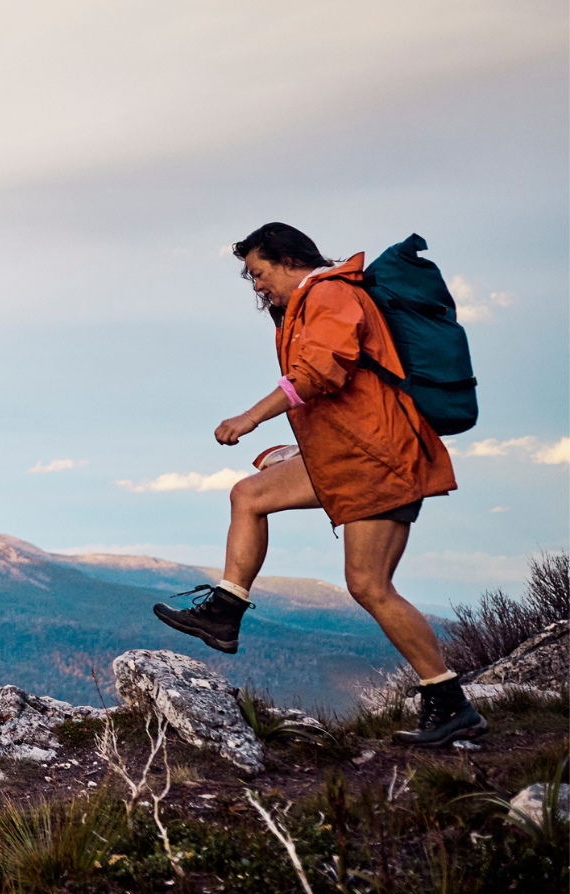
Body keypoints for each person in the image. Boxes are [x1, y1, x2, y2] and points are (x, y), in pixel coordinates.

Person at [153, 222, 487, 748]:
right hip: (346, 456)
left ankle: (448, 701)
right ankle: (225, 612)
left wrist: (250, 418)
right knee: (249, 495)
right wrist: (298, 452)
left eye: (258, 273)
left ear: (288, 260)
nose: (256, 285)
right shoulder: (306, 305)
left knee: (369, 585)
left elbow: (317, 375)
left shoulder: (331, 293)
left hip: (382, 461)